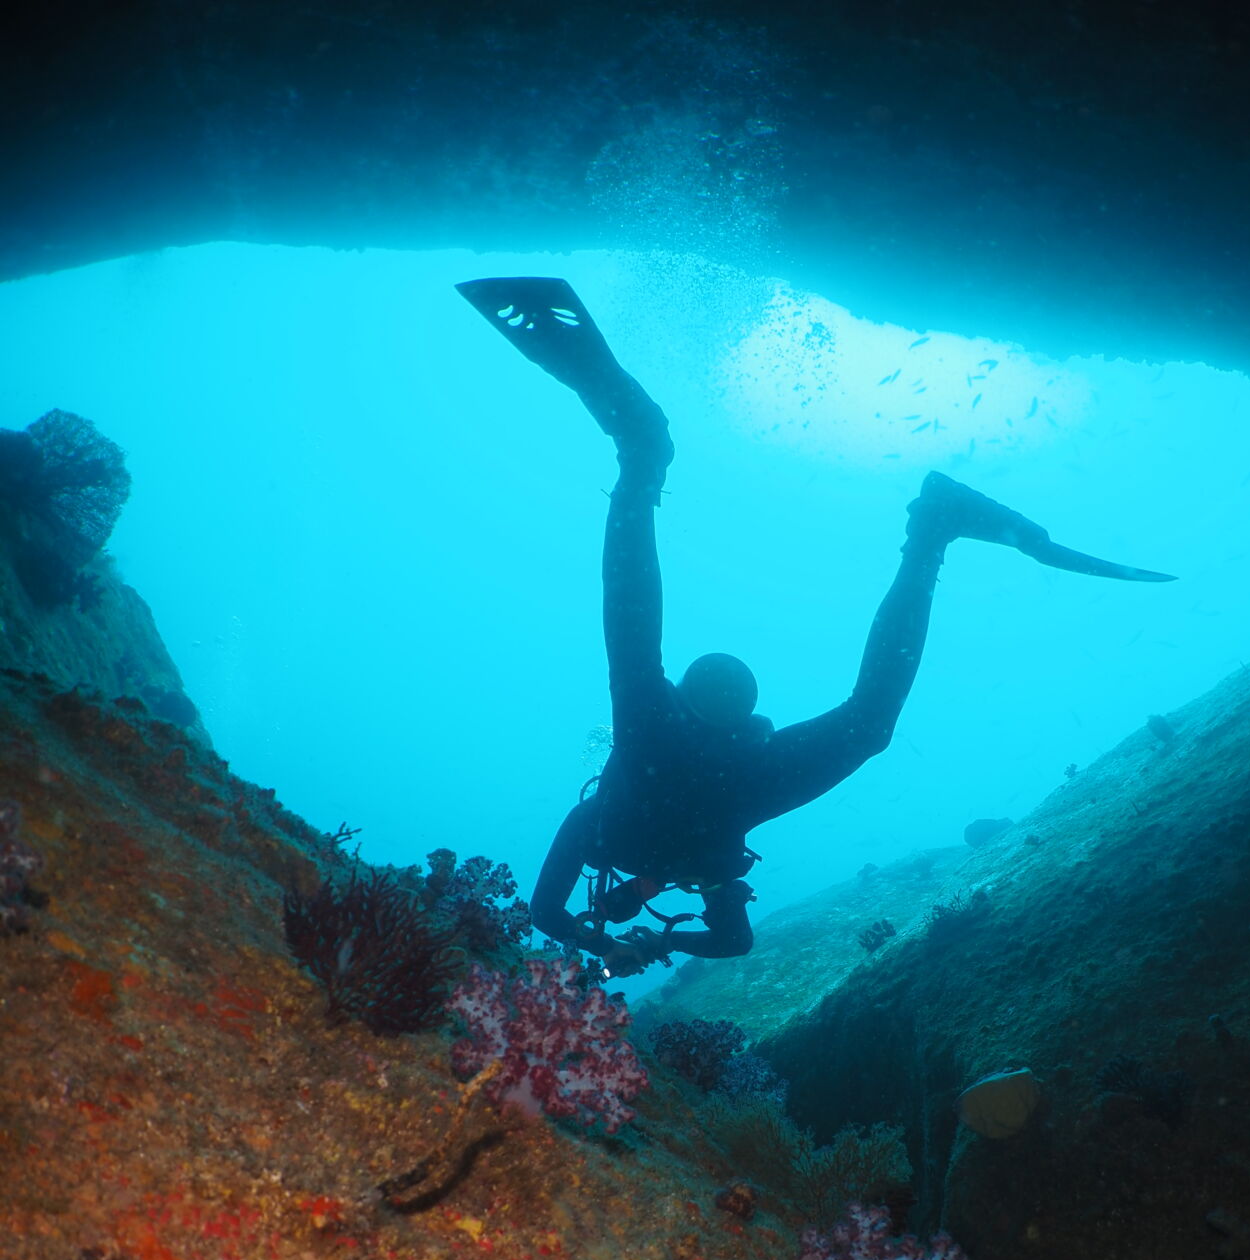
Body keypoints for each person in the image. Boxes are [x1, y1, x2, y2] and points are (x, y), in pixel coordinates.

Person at [458, 278, 1174, 980]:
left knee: (845, 719)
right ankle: (920, 523)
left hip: (677, 762)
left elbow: (550, 915)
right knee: (650, 645)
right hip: (728, 772)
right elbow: (714, 938)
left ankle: (913, 528)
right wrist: (650, 942)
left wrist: (614, 943)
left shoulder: (596, 827)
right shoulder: (684, 861)